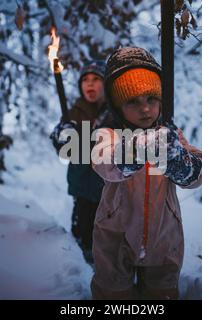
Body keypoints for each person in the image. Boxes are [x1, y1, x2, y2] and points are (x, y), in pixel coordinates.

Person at [90, 47, 202, 299]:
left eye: (151, 99)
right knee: (113, 292)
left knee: (161, 292)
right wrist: (135, 150)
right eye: (132, 101)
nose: (145, 109)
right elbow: (103, 161)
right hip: (115, 234)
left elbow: (198, 169)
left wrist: (181, 163)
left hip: (164, 234)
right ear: (117, 106)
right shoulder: (108, 134)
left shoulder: (170, 135)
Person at [50, 60, 110, 264]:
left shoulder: (115, 112)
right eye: (85, 80)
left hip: (109, 190)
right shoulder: (74, 112)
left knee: (110, 241)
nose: (90, 85)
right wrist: (61, 135)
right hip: (82, 187)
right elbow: (64, 150)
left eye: (96, 79)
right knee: (83, 238)